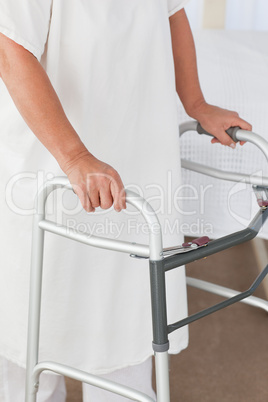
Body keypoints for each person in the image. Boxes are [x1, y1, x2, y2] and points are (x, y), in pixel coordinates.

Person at [0, 0, 252, 401]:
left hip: (138, 155)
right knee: (37, 330)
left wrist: (197, 103)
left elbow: (173, 14)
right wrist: (74, 156)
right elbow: (10, 47)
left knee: (129, 327)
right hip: (53, 159)